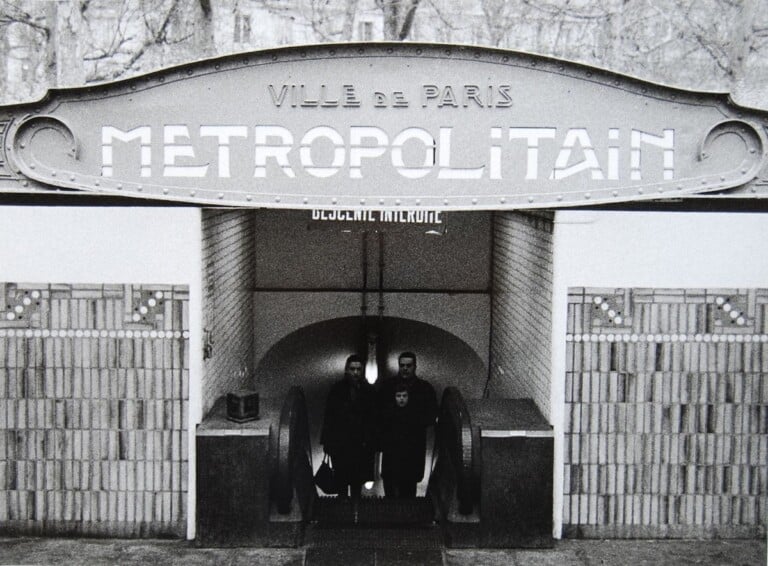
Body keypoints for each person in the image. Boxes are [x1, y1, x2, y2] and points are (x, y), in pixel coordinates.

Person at [377, 351, 438, 498]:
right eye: (402, 365)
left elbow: (432, 414)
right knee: (392, 485)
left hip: (412, 444)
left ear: (415, 366)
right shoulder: (390, 386)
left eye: (408, 366)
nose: (405, 368)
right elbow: (378, 412)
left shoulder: (423, 388)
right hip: (395, 444)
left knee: (408, 487)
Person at [320, 354, 377, 499]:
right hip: (343, 444)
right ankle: (351, 508)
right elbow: (329, 416)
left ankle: (346, 509)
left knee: (353, 481)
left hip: (357, 444)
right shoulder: (341, 390)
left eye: (358, 369)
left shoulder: (342, 389)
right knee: (345, 481)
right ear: (347, 370)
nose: (355, 372)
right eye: (353, 369)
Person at [379, 382, 424, 498]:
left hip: (407, 460)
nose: (401, 399)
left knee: (406, 493)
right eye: (398, 396)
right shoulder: (389, 414)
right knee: (393, 493)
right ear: (394, 397)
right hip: (393, 459)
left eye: (404, 396)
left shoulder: (414, 416)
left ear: (409, 397)